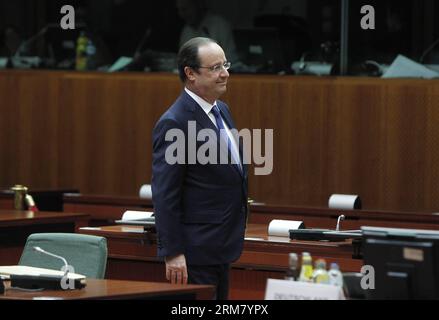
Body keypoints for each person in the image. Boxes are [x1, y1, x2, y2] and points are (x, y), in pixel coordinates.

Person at [151, 37, 248, 300]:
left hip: (221, 244)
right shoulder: (175, 122)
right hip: (195, 251)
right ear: (190, 74)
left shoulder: (222, 110)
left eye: (225, 64)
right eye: (215, 67)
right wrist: (172, 252)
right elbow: (165, 193)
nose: (225, 73)